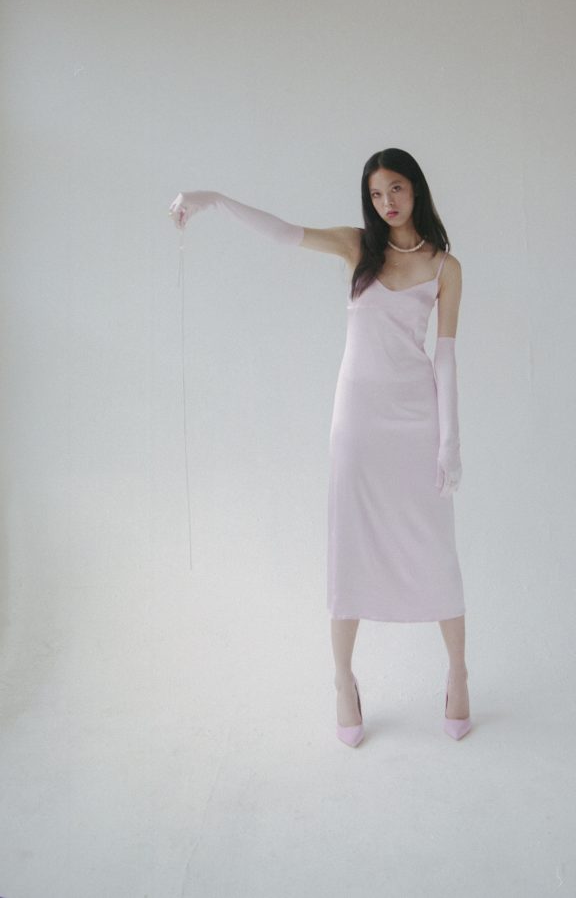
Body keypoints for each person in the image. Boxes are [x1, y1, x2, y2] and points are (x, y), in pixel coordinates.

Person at [169, 147, 472, 745]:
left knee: (436, 546)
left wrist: (449, 442)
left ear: (416, 189)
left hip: (415, 421)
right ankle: (343, 680)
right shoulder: (359, 247)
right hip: (356, 420)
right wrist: (215, 201)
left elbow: (445, 358)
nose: (386, 202)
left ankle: (458, 672)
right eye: (376, 193)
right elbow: (284, 233)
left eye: (396, 188)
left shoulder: (445, 267)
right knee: (349, 544)